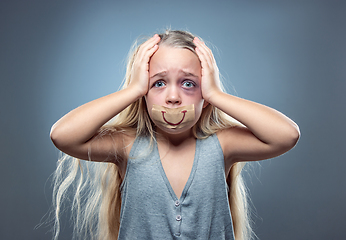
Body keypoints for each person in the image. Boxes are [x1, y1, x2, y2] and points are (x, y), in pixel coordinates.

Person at [49, 30, 300, 240]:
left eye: (188, 83)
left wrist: (217, 96)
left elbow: (286, 135)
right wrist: (133, 89)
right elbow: (63, 136)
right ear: (144, 93)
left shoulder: (221, 145)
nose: (172, 97)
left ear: (204, 91)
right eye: (158, 83)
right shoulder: (128, 146)